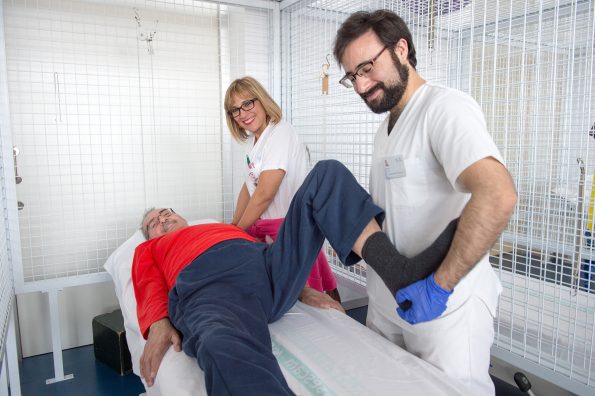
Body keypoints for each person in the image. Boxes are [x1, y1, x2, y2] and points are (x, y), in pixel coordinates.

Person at [133, 160, 459, 396]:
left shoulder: (224, 227)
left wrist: (302, 287)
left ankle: (399, 274)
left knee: (325, 175)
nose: (162, 220)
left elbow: (270, 248)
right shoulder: (152, 250)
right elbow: (147, 283)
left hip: (266, 268)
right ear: (149, 237)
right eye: (154, 223)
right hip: (209, 288)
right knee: (221, 343)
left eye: (166, 214)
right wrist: (159, 322)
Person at [333, 10, 517, 395]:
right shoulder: (385, 128)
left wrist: (439, 287)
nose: (362, 85)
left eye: (367, 67)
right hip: (387, 301)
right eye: (352, 76)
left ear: (401, 49)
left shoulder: (445, 109)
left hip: (445, 310)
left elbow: (497, 194)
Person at [224, 76, 340, 301]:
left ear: (262, 100)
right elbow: (248, 188)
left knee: (313, 295)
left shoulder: (280, 133)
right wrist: (234, 226)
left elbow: (265, 193)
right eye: (235, 110)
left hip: (289, 229)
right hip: (268, 232)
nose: (243, 113)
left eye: (248, 103)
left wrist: (238, 232)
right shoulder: (254, 141)